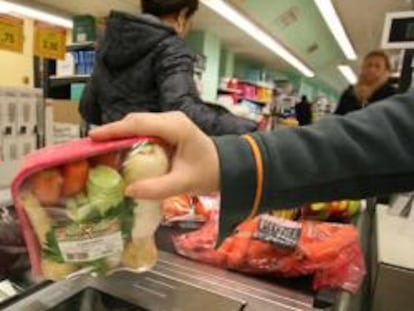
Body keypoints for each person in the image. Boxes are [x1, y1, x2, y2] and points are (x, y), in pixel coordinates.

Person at [91, 90, 414, 236]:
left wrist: (231, 156)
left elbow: (397, 130)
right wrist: (237, 146)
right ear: (183, 17)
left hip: (124, 162)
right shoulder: (171, 48)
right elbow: (400, 129)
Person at [79, 0, 256, 135]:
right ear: (182, 16)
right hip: (153, 157)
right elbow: (182, 111)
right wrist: (245, 127)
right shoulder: (171, 46)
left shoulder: (108, 42)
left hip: (109, 155)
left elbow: (88, 107)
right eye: (190, 21)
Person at [335, 50, 396, 115]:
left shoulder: (391, 95)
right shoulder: (349, 93)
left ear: (386, 71)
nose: (371, 69)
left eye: (377, 66)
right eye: (369, 65)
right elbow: (338, 117)